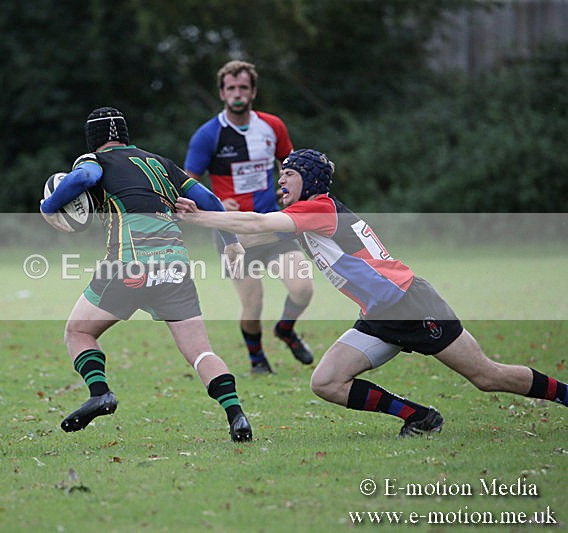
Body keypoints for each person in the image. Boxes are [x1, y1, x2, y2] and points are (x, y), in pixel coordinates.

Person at [176, 148, 568, 436]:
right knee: (326, 382)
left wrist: (203, 217)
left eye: (289, 174)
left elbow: (256, 224)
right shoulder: (304, 217)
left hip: (411, 304)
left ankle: (565, 395)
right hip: (379, 315)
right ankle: (419, 417)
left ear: (309, 180)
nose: (281, 181)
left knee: (486, 375)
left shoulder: (320, 208)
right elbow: (255, 233)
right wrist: (217, 235)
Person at [40, 106, 252, 442]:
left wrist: (48, 206)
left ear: (93, 139)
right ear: (125, 135)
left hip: (130, 264)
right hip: (175, 266)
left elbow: (82, 180)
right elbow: (211, 200)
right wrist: (232, 242)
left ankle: (100, 393)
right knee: (200, 352)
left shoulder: (94, 160)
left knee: (78, 332)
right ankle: (236, 414)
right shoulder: (161, 163)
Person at [185, 60, 314, 374]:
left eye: (243, 87)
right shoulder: (208, 135)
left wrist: (289, 193)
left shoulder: (273, 126)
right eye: (231, 88)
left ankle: (285, 329)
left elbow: (291, 166)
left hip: (272, 224)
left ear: (253, 91)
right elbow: (187, 183)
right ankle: (258, 361)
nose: (237, 93)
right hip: (233, 234)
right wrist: (215, 204)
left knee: (303, 288)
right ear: (222, 93)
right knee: (252, 303)